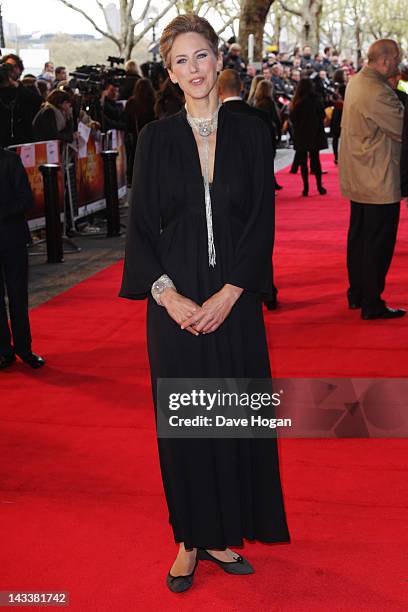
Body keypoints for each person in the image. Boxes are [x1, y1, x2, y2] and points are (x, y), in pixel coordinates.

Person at [119, 14, 290, 593]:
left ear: (220, 59)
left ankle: (222, 533)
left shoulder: (252, 132)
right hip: (176, 305)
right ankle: (190, 538)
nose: (194, 70)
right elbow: (139, 228)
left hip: (234, 300)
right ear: (169, 73)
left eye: (202, 56)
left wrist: (232, 292)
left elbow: (260, 224)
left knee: (230, 419)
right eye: (181, 62)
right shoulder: (156, 139)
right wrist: (168, 298)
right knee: (188, 422)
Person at [339, 39, 406, 320]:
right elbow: (402, 126)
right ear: (386, 61)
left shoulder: (358, 80)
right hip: (377, 177)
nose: (399, 65)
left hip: (361, 174)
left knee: (360, 239)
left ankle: (357, 293)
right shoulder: (377, 90)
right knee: (377, 243)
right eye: (398, 59)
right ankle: (372, 302)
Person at [218, 68, 280, 310]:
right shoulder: (258, 117)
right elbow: (271, 148)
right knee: (260, 238)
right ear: (242, 88)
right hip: (255, 189)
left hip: (222, 193)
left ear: (218, 89)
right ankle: (268, 291)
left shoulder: (214, 119)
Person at [0, 148, 45, 369]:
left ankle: (24, 349)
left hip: (12, 238)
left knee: (18, 295)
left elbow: (26, 200)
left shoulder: (10, 160)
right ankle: (3, 351)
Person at [289, 77, 327, 196]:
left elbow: (293, 118)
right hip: (315, 133)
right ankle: (319, 186)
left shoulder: (297, 101)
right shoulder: (316, 100)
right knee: (316, 160)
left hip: (301, 134)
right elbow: (322, 115)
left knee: (303, 162)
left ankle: (305, 188)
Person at [124, 78, 156, 185]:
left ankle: (133, 179)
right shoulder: (154, 102)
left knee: (134, 157)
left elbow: (126, 121)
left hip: (136, 136)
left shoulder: (132, 103)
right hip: (152, 136)